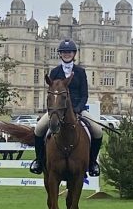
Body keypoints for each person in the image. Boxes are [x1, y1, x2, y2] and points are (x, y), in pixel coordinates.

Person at [29, 38, 103, 176]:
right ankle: (39, 161)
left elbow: (84, 94)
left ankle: (92, 163)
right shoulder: (55, 72)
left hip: (77, 110)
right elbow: (51, 94)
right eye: (64, 52)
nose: (67, 54)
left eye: (69, 52)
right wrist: (53, 110)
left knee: (98, 131)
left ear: (74, 54)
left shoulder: (80, 72)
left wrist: (78, 108)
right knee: (39, 129)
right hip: (57, 110)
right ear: (60, 54)